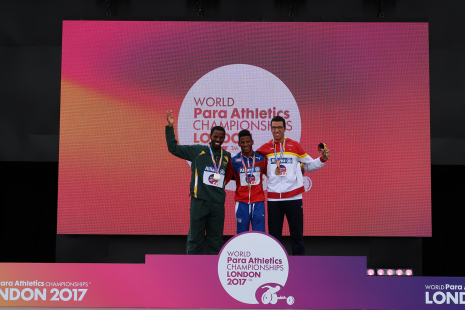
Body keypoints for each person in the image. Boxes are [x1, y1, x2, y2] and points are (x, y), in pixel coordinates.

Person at [256, 116, 330, 255]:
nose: (276, 130)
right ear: (270, 129)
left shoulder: (294, 146)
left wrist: (322, 159)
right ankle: (274, 264)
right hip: (274, 199)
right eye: (274, 127)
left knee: (297, 235)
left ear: (285, 128)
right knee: (274, 237)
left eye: (279, 127)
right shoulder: (265, 149)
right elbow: (252, 163)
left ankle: (300, 266)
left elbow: (309, 165)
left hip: (294, 198)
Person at [165, 110, 233, 255]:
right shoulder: (198, 151)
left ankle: (214, 271)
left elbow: (230, 175)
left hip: (217, 204)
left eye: (221, 138)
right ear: (210, 137)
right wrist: (170, 127)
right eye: (215, 137)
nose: (218, 140)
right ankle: (192, 269)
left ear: (224, 139)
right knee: (195, 238)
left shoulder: (226, 156)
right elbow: (173, 149)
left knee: (216, 240)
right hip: (199, 201)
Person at [229, 130, 267, 233]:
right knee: (241, 235)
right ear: (239, 144)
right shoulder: (234, 161)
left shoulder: (261, 159)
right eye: (242, 142)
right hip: (241, 203)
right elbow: (225, 178)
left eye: (248, 141)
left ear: (252, 142)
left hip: (258, 202)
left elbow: (272, 175)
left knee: (260, 235)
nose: (245, 144)